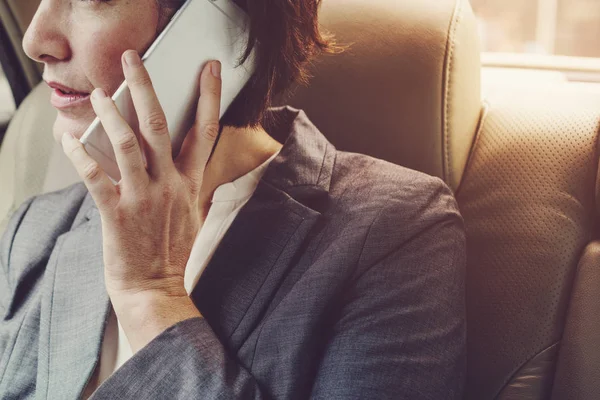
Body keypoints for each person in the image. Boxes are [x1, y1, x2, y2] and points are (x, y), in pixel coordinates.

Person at [0, 0, 466, 398]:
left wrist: (152, 296)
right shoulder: (36, 228)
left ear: (219, 24)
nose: (37, 39)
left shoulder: (397, 232)